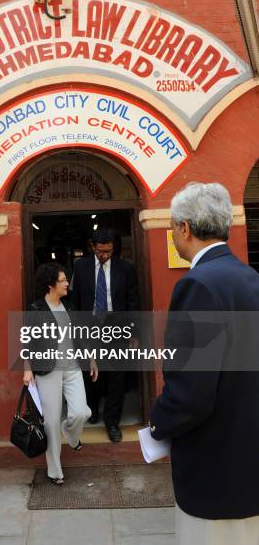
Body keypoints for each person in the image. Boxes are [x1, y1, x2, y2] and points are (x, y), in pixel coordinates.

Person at [150, 182, 259, 545]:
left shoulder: (197, 285)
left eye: (171, 227)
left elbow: (191, 394)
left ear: (184, 228)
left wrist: (158, 423)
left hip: (216, 469)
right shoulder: (249, 277)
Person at [22, 262, 97, 484]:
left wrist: (91, 359)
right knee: (51, 422)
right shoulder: (36, 309)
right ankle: (55, 471)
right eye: (63, 280)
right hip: (48, 371)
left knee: (81, 412)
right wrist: (28, 370)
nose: (67, 284)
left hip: (72, 368)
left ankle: (71, 433)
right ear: (50, 284)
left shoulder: (70, 307)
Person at [72, 228, 140, 442]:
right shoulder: (81, 267)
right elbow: (75, 302)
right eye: (101, 251)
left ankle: (112, 422)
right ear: (93, 247)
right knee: (91, 374)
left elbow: (133, 302)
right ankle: (92, 408)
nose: (105, 255)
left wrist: (134, 333)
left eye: (109, 251)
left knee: (117, 378)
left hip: (117, 328)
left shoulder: (125, 268)